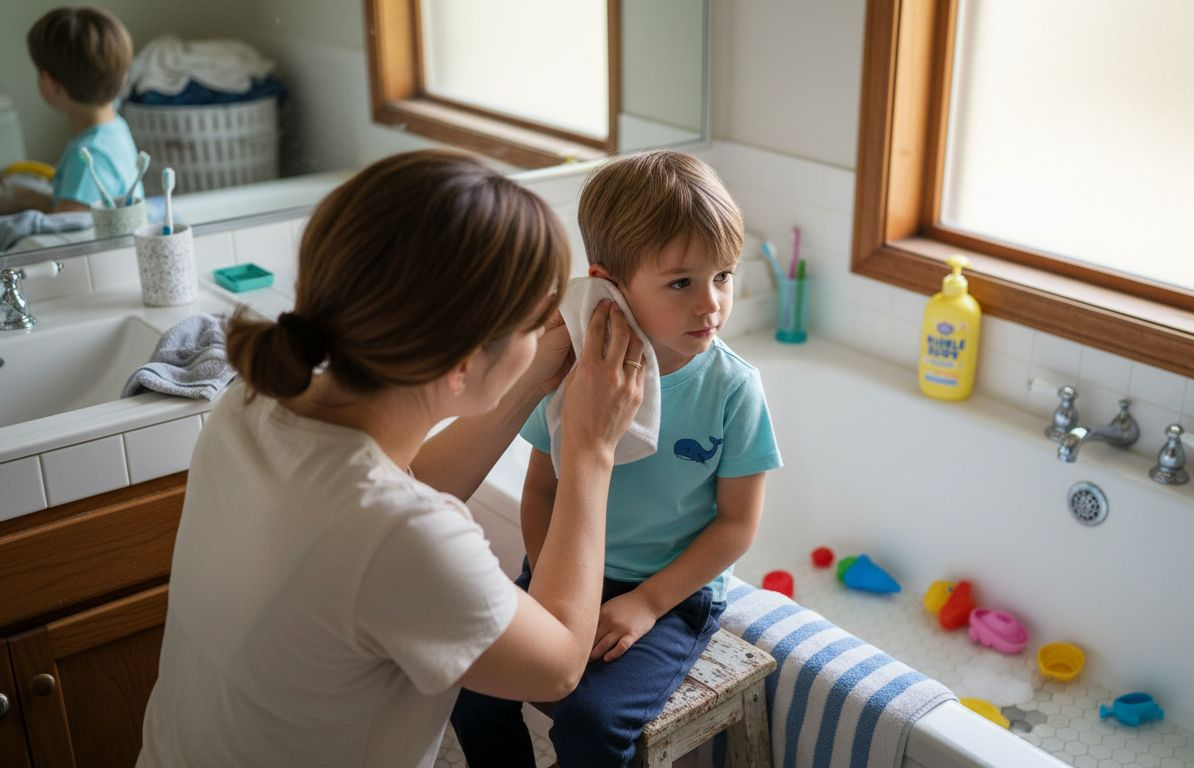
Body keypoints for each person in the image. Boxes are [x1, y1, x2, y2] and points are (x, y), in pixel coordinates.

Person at [136, 150, 646, 768]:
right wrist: (591, 446)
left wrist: (530, 380)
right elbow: (560, 664)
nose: (547, 327)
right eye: (535, 319)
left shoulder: (252, 404)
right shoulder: (406, 537)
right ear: (461, 364)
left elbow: (385, 495)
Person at [451, 150, 783, 766]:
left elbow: (738, 524)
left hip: (671, 594)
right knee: (473, 687)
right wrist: (543, 578)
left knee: (593, 724)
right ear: (609, 282)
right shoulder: (576, 370)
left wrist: (648, 603)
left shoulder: (733, 388)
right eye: (681, 282)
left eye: (723, 276)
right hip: (567, 566)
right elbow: (543, 492)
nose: (710, 304)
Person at [9, 7, 142, 214]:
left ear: (51, 84)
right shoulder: (114, 127)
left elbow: (66, 230)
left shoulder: (90, 157)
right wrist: (30, 198)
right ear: (123, 76)